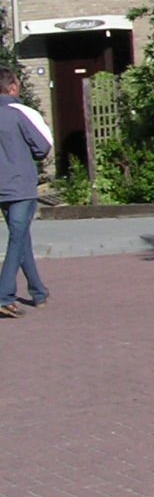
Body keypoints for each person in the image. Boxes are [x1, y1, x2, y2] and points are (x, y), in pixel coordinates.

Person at [0, 67, 52, 318]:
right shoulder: (20, 113)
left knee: (21, 238)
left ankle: (38, 291)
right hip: (20, 185)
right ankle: (4, 295)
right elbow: (43, 146)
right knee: (18, 239)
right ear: (12, 87)